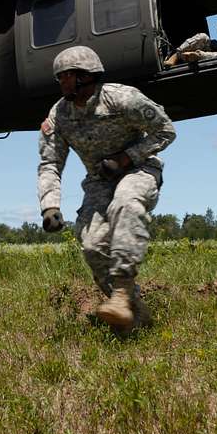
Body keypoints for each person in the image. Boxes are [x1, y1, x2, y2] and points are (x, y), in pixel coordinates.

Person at [37, 46, 176, 333]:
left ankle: (122, 293)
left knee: (125, 203)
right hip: (99, 180)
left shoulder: (122, 98)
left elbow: (166, 131)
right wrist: (50, 205)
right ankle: (134, 314)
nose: (62, 83)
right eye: (59, 78)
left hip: (140, 170)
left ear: (86, 77)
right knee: (92, 245)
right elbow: (50, 163)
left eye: (67, 76)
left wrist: (126, 158)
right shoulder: (59, 115)